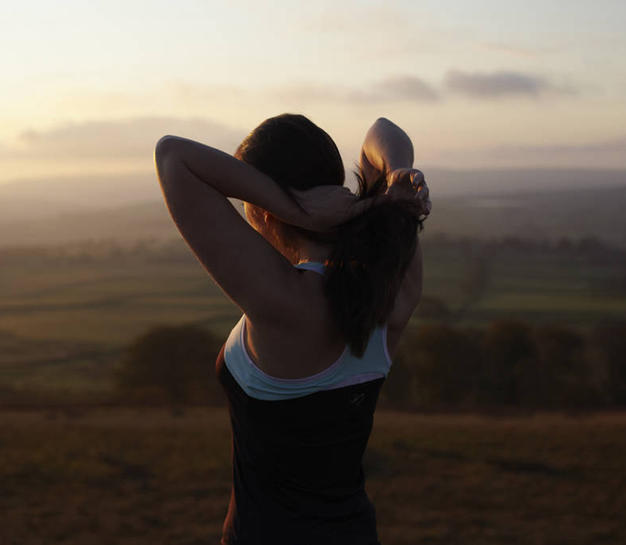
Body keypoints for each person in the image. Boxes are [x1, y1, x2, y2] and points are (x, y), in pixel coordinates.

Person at [154, 114, 430, 545]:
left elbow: (172, 155)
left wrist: (291, 206)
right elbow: (383, 128)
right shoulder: (392, 286)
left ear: (262, 209)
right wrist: (394, 177)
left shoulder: (284, 301)